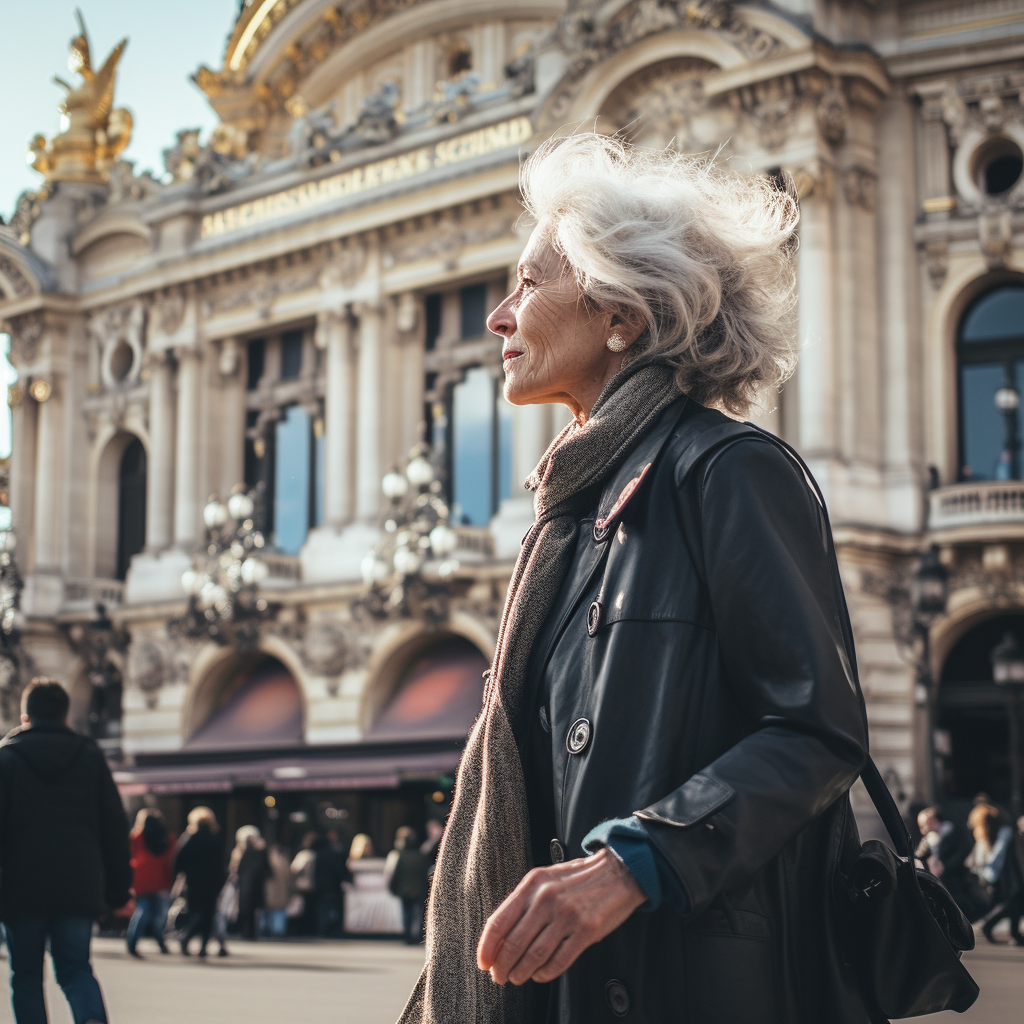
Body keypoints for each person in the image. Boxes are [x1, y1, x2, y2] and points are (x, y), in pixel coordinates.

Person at [399, 134, 874, 1024]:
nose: (498, 317)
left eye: (530, 284)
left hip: (683, 983)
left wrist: (633, 864)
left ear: (620, 314)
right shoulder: (570, 512)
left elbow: (817, 729)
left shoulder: (726, 470)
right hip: (556, 988)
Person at [0, 677, 131, 1024]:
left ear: (25, 715)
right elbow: (114, 827)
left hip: (19, 888)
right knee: (75, 968)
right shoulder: (89, 755)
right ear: (64, 716)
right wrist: (118, 889)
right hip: (78, 886)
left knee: (26, 976)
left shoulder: (6, 759)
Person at [173, 806, 228, 957]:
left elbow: (178, 862)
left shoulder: (189, 838)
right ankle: (202, 946)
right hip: (212, 884)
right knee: (208, 915)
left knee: (195, 913)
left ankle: (187, 939)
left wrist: (181, 875)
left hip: (193, 882)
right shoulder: (214, 839)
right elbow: (220, 864)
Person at [968, 803, 1024, 945]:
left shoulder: (986, 833)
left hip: (1000, 875)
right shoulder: (1005, 832)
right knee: (1013, 904)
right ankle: (990, 926)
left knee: (1014, 903)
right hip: (1008, 875)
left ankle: (1014, 933)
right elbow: (998, 857)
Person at [126, 809, 175, 957]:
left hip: (141, 878)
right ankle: (159, 941)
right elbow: (171, 859)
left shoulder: (136, 836)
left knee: (143, 910)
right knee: (160, 914)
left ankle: (132, 942)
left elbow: (129, 855)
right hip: (162, 879)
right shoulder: (167, 838)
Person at [914, 805, 977, 917]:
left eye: (924, 825)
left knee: (959, 904)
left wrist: (944, 867)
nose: (922, 830)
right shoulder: (928, 838)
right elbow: (918, 856)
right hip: (937, 878)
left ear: (933, 821)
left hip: (955, 877)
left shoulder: (953, 832)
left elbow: (962, 853)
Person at [385, 827, 429, 944]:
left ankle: (408, 935)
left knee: (407, 913)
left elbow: (396, 874)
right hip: (417, 889)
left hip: (405, 889)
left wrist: (393, 888)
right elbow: (424, 874)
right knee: (416, 914)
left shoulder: (401, 856)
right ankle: (415, 935)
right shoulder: (420, 856)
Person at [232, 825, 271, 941]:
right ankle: (247, 932)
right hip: (247, 886)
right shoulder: (244, 852)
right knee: (248, 910)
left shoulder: (256, 852)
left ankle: (247, 932)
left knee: (248, 910)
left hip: (249, 886)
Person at [314, 828, 352, 937]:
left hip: (324, 885)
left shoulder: (321, 851)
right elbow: (338, 869)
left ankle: (324, 930)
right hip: (330, 885)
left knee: (325, 908)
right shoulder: (333, 851)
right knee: (328, 908)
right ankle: (329, 930)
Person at [290, 831, 319, 935]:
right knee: (309, 910)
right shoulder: (317, 855)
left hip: (303, 886)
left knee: (301, 910)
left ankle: (300, 930)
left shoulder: (304, 855)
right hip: (312, 886)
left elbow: (294, 869)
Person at [262, 842, 293, 938]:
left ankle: (265, 930)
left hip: (269, 891)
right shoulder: (284, 861)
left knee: (267, 911)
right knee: (279, 911)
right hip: (282, 891)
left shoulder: (267, 860)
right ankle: (278, 931)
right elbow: (290, 877)